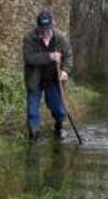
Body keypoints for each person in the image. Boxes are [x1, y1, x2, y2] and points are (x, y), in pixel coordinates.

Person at [23, 10, 73, 141]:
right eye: (42, 29)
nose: (45, 32)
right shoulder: (29, 38)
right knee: (32, 112)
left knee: (59, 109)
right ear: (38, 27)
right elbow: (29, 58)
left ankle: (59, 126)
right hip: (35, 80)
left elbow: (68, 56)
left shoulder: (60, 37)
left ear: (53, 24)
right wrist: (50, 56)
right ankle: (34, 136)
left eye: (48, 29)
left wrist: (65, 71)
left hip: (53, 80)